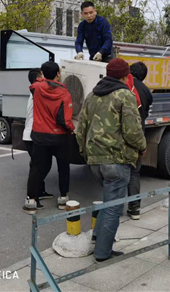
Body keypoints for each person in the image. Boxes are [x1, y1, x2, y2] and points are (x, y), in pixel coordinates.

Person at [76, 58, 146, 262]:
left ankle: (97, 237)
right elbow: (132, 130)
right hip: (116, 158)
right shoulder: (125, 95)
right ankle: (103, 252)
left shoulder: (92, 95)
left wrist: (86, 153)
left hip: (95, 159)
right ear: (126, 76)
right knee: (114, 207)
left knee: (109, 199)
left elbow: (81, 129)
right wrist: (142, 147)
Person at [23, 61, 75, 214]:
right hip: (59, 137)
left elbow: (36, 82)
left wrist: (44, 78)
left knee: (36, 168)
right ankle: (63, 199)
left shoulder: (37, 88)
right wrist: (71, 129)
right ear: (58, 73)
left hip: (39, 135)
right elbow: (65, 120)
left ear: (43, 74)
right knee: (63, 168)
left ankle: (31, 202)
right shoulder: (65, 93)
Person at [125, 62, 153, 220]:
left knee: (118, 174)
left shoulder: (122, 86)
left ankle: (112, 210)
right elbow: (145, 115)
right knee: (134, 173)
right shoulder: (147, 91)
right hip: (138, 136)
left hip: (120, 138)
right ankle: (134, 209)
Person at [22, 68, 53, 201]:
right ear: (37, 80)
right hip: (32, 136)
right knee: (40, 167)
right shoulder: (37, 93)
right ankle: (32, 197)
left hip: (30, 135)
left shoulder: (35, 92)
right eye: (42, 76)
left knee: (41, 165)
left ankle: (39, 191)